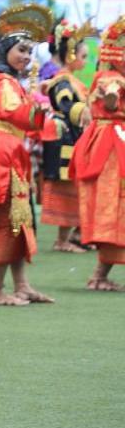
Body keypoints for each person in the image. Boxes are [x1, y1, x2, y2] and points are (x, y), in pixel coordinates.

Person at [0, 4, 55, 306]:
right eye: (21, 50)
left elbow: (23, 118)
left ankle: (21, 285)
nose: (26, 57)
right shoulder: (5, 83)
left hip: (8, 151)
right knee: (9, 221)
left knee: (20, 219)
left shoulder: (11, 83)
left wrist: (37, 104)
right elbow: (15, 114)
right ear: (6, 49)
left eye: (30, 52)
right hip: (0, 153)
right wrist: (38, 110)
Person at [71, 16, 125, 291]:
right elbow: (112, 96)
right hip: (112, 146)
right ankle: (99, 276)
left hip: (110, 141)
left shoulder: (107, 76)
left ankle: (100, 275)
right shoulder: (112, 78)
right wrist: (113, 99)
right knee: (115, 207)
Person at [41, 19, 95, 253]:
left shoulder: (72, 80)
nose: (84, 61)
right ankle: (62, 239)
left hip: (71, 135)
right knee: (65, 185)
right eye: (82, 56)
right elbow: (65, 104)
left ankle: (76, 234)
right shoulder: (62, 80)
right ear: (70, 54)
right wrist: (86, 112)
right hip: (63, 136)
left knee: (74, 184)